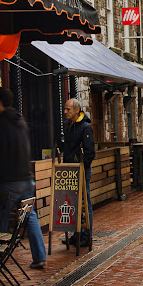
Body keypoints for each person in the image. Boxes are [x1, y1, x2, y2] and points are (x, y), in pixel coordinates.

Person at [0, 87, 47, 269]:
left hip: (9, 180)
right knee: (30, 217)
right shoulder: (20, 120)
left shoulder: (0, 123)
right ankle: (40, 256)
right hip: (26, 178)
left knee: (2, 219)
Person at [60, 98, 95, 247]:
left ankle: (87, 235)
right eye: (65, 109)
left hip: (81, 170)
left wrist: (83, 167)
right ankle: (76, 234)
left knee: (84, 201)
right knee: (72, 201)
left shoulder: (85, 127)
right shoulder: (68, 126)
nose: (65, 112)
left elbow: (90, 152)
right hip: (70, 170)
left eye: (68, 109)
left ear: (77, 110)